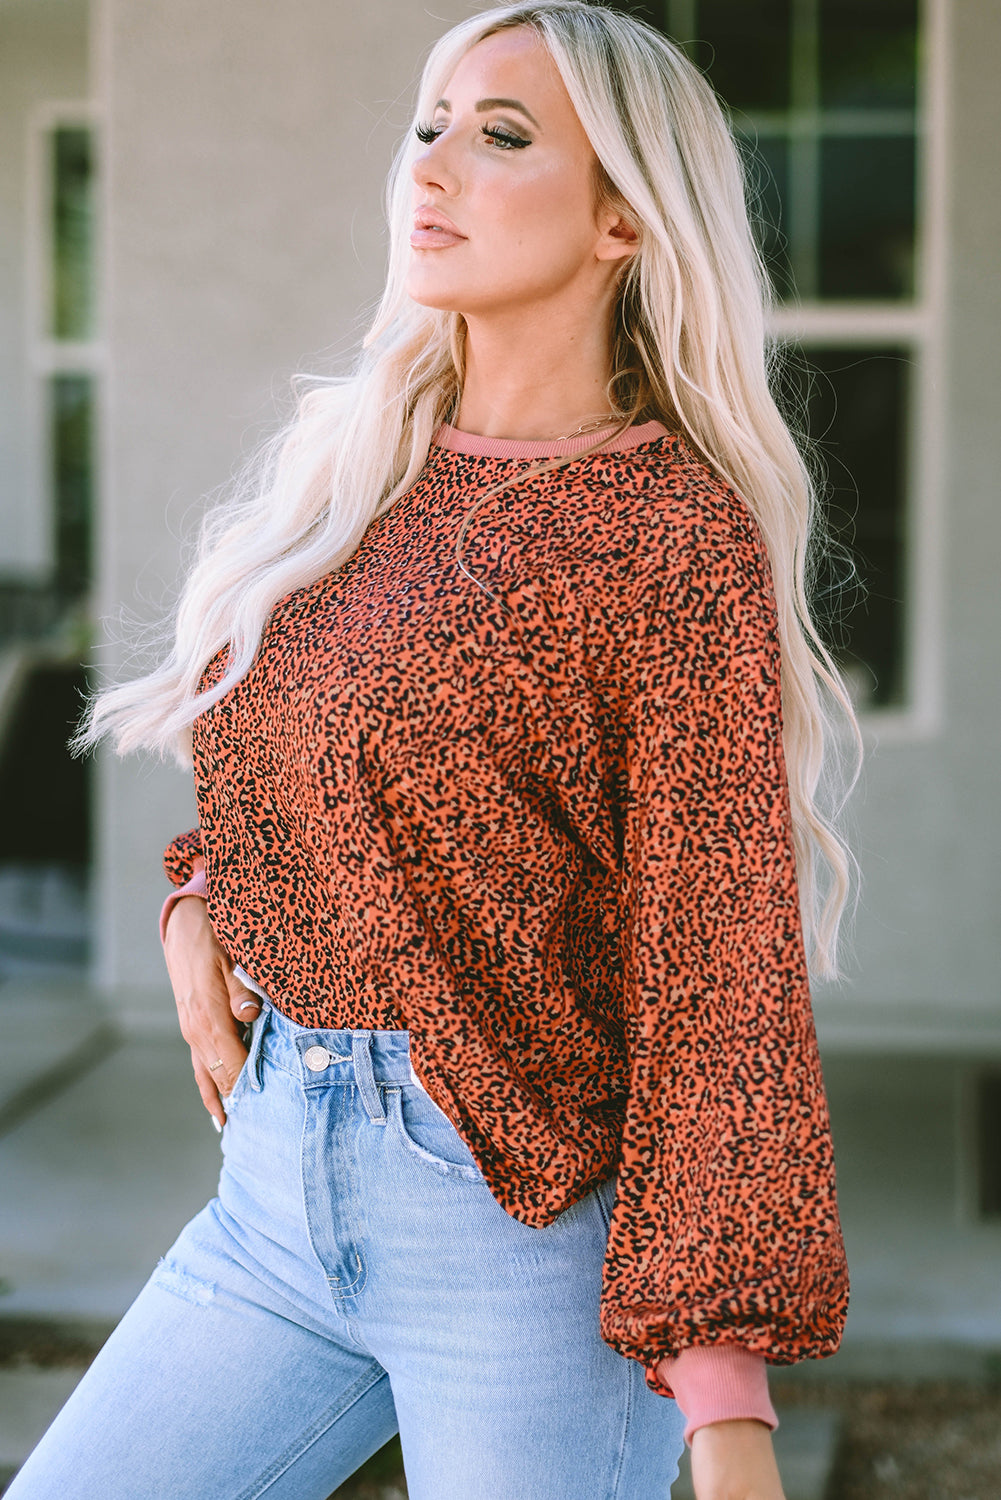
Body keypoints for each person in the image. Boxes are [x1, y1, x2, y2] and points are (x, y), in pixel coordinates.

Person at [10, 3, 860, 1497]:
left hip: (520, 1241)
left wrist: (722, 1398)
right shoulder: (354, 475)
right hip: (275, 1196)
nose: (434, 165)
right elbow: (303, 776)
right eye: (428, 125)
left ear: (622, 218)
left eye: (502, 135)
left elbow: (713, 958)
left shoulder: (666, 536)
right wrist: (203, 897)